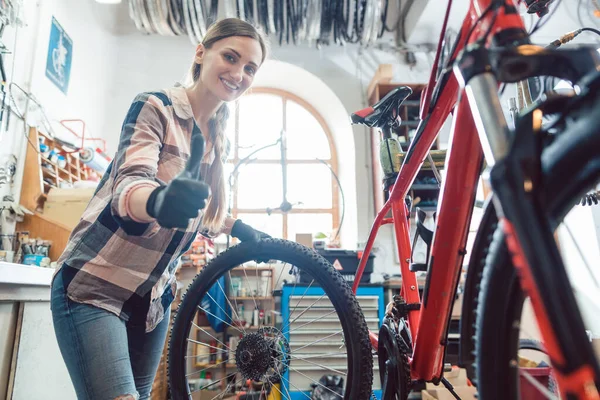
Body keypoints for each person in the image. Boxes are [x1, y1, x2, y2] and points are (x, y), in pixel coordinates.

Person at [50, 18, 270, 400]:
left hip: (152, 303)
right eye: (230, 57)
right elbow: (129, 188)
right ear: (201, 52)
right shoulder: (156, 106)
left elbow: (199, 210)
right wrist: (157, 201)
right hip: (95, 287)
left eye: (250, 68)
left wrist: (237, 228)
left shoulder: (217, 136)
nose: (239, 73)